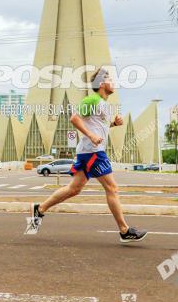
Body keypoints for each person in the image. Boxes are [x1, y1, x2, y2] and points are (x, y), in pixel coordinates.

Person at [29, 68, 148, 243]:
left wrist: (113, 124)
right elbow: (74, 118)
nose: (113, 83)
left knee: (74, 189)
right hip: (94, 152)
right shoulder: (92, 99)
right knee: (112, 188)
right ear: (101, 84)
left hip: (87, 152)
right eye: (110, 80)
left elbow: (98, 127)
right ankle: (124, 230)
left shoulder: (102, 104)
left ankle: (40, 209)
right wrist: (92, 136)